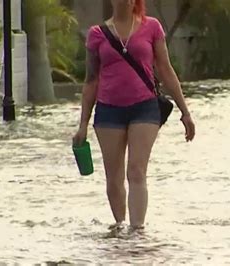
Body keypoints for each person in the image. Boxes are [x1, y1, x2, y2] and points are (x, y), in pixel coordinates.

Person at [72, 0, 195, 232]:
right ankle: (119, 228)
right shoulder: (97, 34)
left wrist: (185, 112)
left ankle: (137, 230)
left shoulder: (152, 27)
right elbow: (91, 81)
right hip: (109, 110)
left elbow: (166, 69)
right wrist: (83, 125)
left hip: (145, 107)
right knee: (114, 178)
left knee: (136, 170)